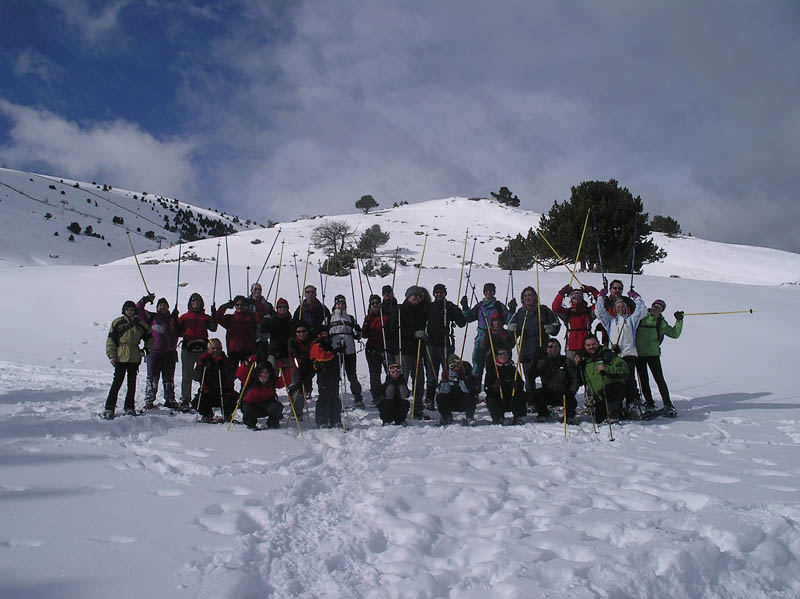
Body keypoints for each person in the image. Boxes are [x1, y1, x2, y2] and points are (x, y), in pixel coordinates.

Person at [595, 288, 646, 418]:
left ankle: (631, 403)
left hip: (629, 353)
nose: (620, 309)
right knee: (615, 379)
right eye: (618, 307)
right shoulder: (611, 321)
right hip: (615, 354)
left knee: (629, 379)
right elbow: (600, 313)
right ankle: (617, 404)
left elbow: (640, 311)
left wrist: (637, 298)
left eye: (622, 306)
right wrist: (601, 298)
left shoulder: (631, 320)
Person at [103, 300, 153, 419]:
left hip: (134, 357)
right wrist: (112, 356)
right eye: (128, 310)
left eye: (132, 310)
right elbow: (111, 341)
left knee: (132, 383)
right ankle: (109, 407)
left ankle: (129, 407)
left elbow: (150, 337)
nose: (130, 312)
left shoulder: (140, 324)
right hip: (120, 356)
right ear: (124, 310)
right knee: (117, 382)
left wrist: (145, 350)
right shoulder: (117, 322)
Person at [508, 286, 560, 397]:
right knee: (529, 376)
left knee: (545, 374)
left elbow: (556, 324)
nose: (527, 298)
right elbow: (513, 330)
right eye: (525, 296)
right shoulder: (520, 313)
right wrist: (512, 329)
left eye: (530, 295)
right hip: (526, 349)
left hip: (542, 347)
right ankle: (531, 400)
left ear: (535, 297)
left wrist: (551, 328)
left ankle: (547, 398)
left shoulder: (543, 310)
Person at [635, 300, 683, 417]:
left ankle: (667, 403)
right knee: (644, 380)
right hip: (639, 354)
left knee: (659, 379)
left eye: (660, 308)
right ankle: (649, 403)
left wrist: (679, 321)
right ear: (652, 306)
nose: (657, 309)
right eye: (656, 306)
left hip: (653, 354)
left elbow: (674, 334)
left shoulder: (661, 322)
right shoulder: (641, 317)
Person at [461, 282, 512, 389]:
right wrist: (465, 308)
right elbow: (468, 318)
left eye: (491, 290)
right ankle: (475, 390)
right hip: (481, 337)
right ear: (484, 292)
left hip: (496, 338)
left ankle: (493, 389)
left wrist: (511, 310)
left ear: (494, 292)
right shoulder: (479, 306)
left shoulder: (499, 305)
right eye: (487, 291)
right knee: (477, 365)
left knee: (494, 365)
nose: (489, 292)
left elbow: (509, 320)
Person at [424, 283, 466, 410]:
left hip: (446, 345)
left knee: (448, 373)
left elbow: (462, 323)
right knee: (431, 374)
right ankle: (429, 399)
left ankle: (449, 399)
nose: (439, 294)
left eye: (441, 292)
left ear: (445, 293)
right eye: (436, 292)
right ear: (433, 293)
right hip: (431, 345)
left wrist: (458, 310)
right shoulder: (429, 307)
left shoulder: (449, 307)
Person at [136, 294, 179, 409]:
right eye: (160, 305)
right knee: (152, 377)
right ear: (157, 307)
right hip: (154, 352)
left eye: (164, 305)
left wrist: (175, 320)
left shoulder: (173, 319)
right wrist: (144, 300)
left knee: (168, 378)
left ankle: (170, 399)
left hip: (169, 352)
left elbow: (179, 331)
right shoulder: (151, 317)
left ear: (168, 307)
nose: (162, 307)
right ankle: (149, 400)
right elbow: (138, 310)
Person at [574, 334, 628, 423]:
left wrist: (607, 369)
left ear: (598, 343)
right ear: (584, 347)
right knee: (600, 419)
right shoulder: (584, 360)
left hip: (613, 390)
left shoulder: (607, 354)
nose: (591, 347)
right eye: (588, 345)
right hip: (598, 395)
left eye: (593, 344)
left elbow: (624, 369)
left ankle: (614, 414)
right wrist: (577, 366)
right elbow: (580, 380)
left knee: (610, 390)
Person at [177, 293, 217, 411]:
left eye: (197, 301)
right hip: (188, 349)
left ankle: (205, 395)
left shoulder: (205, 317)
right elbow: (177, 330)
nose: (195, 303)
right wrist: (175, 320)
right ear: (190, 303)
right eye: (193, 301)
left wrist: (214, 317)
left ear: (201, 303)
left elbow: (213, 328)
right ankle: (185, 399)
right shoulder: (184, 317)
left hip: (202, 349)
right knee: (187, 375)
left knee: (204, 374)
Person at [399, 285, 431, 418]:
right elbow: (396, 329)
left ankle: (417, 409)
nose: (417, 298)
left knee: (419, 381)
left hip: (418, 351)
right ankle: (399, 408)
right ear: (408, 296)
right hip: (404, 351)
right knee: (402, 381)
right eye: (415, 296)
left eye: (420, 296)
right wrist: (413, 334)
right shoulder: (401, 309)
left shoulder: (421, 310)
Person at [327, 294, 364, 408]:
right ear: (335, 305)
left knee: (352, 375)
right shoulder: (330, 318)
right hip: (335, 349)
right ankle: (334, 397)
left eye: (342, 304)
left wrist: (358, 331)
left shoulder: (350, 318)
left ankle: (357, 397)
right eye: (338, 304)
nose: (341, 306)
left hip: (349, 349)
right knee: (335, 375)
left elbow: (358, 336)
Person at [533, 338, 579, 423]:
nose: (553, 348)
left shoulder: (566, 361)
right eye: (550, 347)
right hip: (549, 393)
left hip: (563, 393)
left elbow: (575, 378)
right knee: (537, 394)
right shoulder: (543, 362)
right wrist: (535, 361)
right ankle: (543, 413)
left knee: (571, 400)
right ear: (546, 349)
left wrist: (572, 391)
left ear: (559, 348)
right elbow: (531, 374)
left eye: (556, 346)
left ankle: (569, 416)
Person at [552, 284, 599, 361]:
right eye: (574, 297)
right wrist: (561, 294)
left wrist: (593, 290)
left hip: (587, 347)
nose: (576, 299)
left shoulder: (588, 312)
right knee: (571, 368)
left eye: (579, 297)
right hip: (571, 347)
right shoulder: (567, 313)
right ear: (571, 300)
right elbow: (555, 307)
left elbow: (600, 304)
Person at [193, 338, 236, 423]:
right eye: (213, 349)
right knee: (197, 401)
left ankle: (226, 414)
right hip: (208, 392)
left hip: (223, 392)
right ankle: (207, 414)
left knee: (231, 400)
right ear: (208, 350)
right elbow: (196, 377)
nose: (215, 350)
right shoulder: (204, 361)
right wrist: (201, 364)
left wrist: (223, 366)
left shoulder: (226, 361)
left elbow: (232, 376)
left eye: (218, 348)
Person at [236, 359, 284, 430]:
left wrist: (284, 368)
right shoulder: (250, 380)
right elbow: (239, 374)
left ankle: (273, 425)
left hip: (266, 406)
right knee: (247, 408)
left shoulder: (272, 381)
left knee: (277, 406)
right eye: (261, 372)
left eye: (266, 372)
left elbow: (285, 381)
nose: (264, 375)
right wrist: (247, 363)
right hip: (252, 407)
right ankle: (251, 425)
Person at [310, 325, 342, 428]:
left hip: (333, 373)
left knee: (334, 396)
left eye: (326, 333)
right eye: (323, 333)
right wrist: (334, 352)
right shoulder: (316, 345)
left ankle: (335, 419)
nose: (325, 335)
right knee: (324, 397)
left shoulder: (330, 343)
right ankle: (321, 420)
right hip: (323, 374)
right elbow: (321, 357)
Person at [484, 347, 526, 425]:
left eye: (505, 354)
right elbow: (486, 388)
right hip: (499, 398)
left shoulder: (513, 369)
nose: (502, 356)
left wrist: (517, 385)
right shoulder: (493, 369)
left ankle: (518, 416)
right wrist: (494, 386)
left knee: (521, 394)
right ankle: (498, 418)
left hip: (511, 397)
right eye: (499, 354)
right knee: (491, 399)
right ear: (496, 356)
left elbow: (521, 383)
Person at [215, 295, 258, 367]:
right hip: (233, 352)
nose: (239, 306)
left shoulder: (251, 317)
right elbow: (218, 317)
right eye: (237, 304)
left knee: (247, 376)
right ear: (234, 306)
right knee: (231, 375)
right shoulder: (229, 319)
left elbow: (263, 311)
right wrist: (224, 307)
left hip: (248, 352)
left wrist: (253, 302)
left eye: (242, 304)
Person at [362, 294, 390, 406]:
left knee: (389, 372)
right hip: (372, 349)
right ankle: (376, 396)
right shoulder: (368, 317)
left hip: (385, 349)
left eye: (377, 303)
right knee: (375, 374)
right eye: (372, 304)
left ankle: (388, 392)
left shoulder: (386, 316)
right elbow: (365, 334)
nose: (375, 305)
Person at [436, 355, 478, 426]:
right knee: (440, 397)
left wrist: (462, 379)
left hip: (464, 400)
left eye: (457, 364)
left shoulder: (466, 372)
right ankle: (446, 416)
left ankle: (470, 417)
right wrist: (445, 381)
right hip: (452, 400)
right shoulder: (447, 372)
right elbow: (444, 391)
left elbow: (468, 390)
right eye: (452, 366)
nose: (455, 368)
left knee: (470, 396)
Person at [256, 297, 293, 367]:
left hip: (287, 352)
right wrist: (265, 319)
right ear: (277, 309)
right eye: (280, 307)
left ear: (287, 308)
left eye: (284, 307)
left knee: (289, 375)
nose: (282, 309)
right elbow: (262, 329)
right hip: (274, 352)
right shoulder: (273, 320)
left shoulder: (290, 321)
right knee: (272, 373)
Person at [287, 324, 313, 420]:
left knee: (305, 389)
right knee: (297, 390)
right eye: (298, 332)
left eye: (303, 331)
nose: (301, 334)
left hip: (308, 368)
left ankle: (298, 410)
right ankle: (297, 413)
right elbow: (293, 355)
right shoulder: (292, 341)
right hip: (296, 367)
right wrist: (300, 362)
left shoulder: (311, 340)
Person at [380, 285, 400, 365]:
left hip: (396, 341)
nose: (386, 294)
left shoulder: (397, 307)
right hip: (384, 341)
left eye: (388, 292)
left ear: (392, 293)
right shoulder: (380, 308)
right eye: (384, 293)